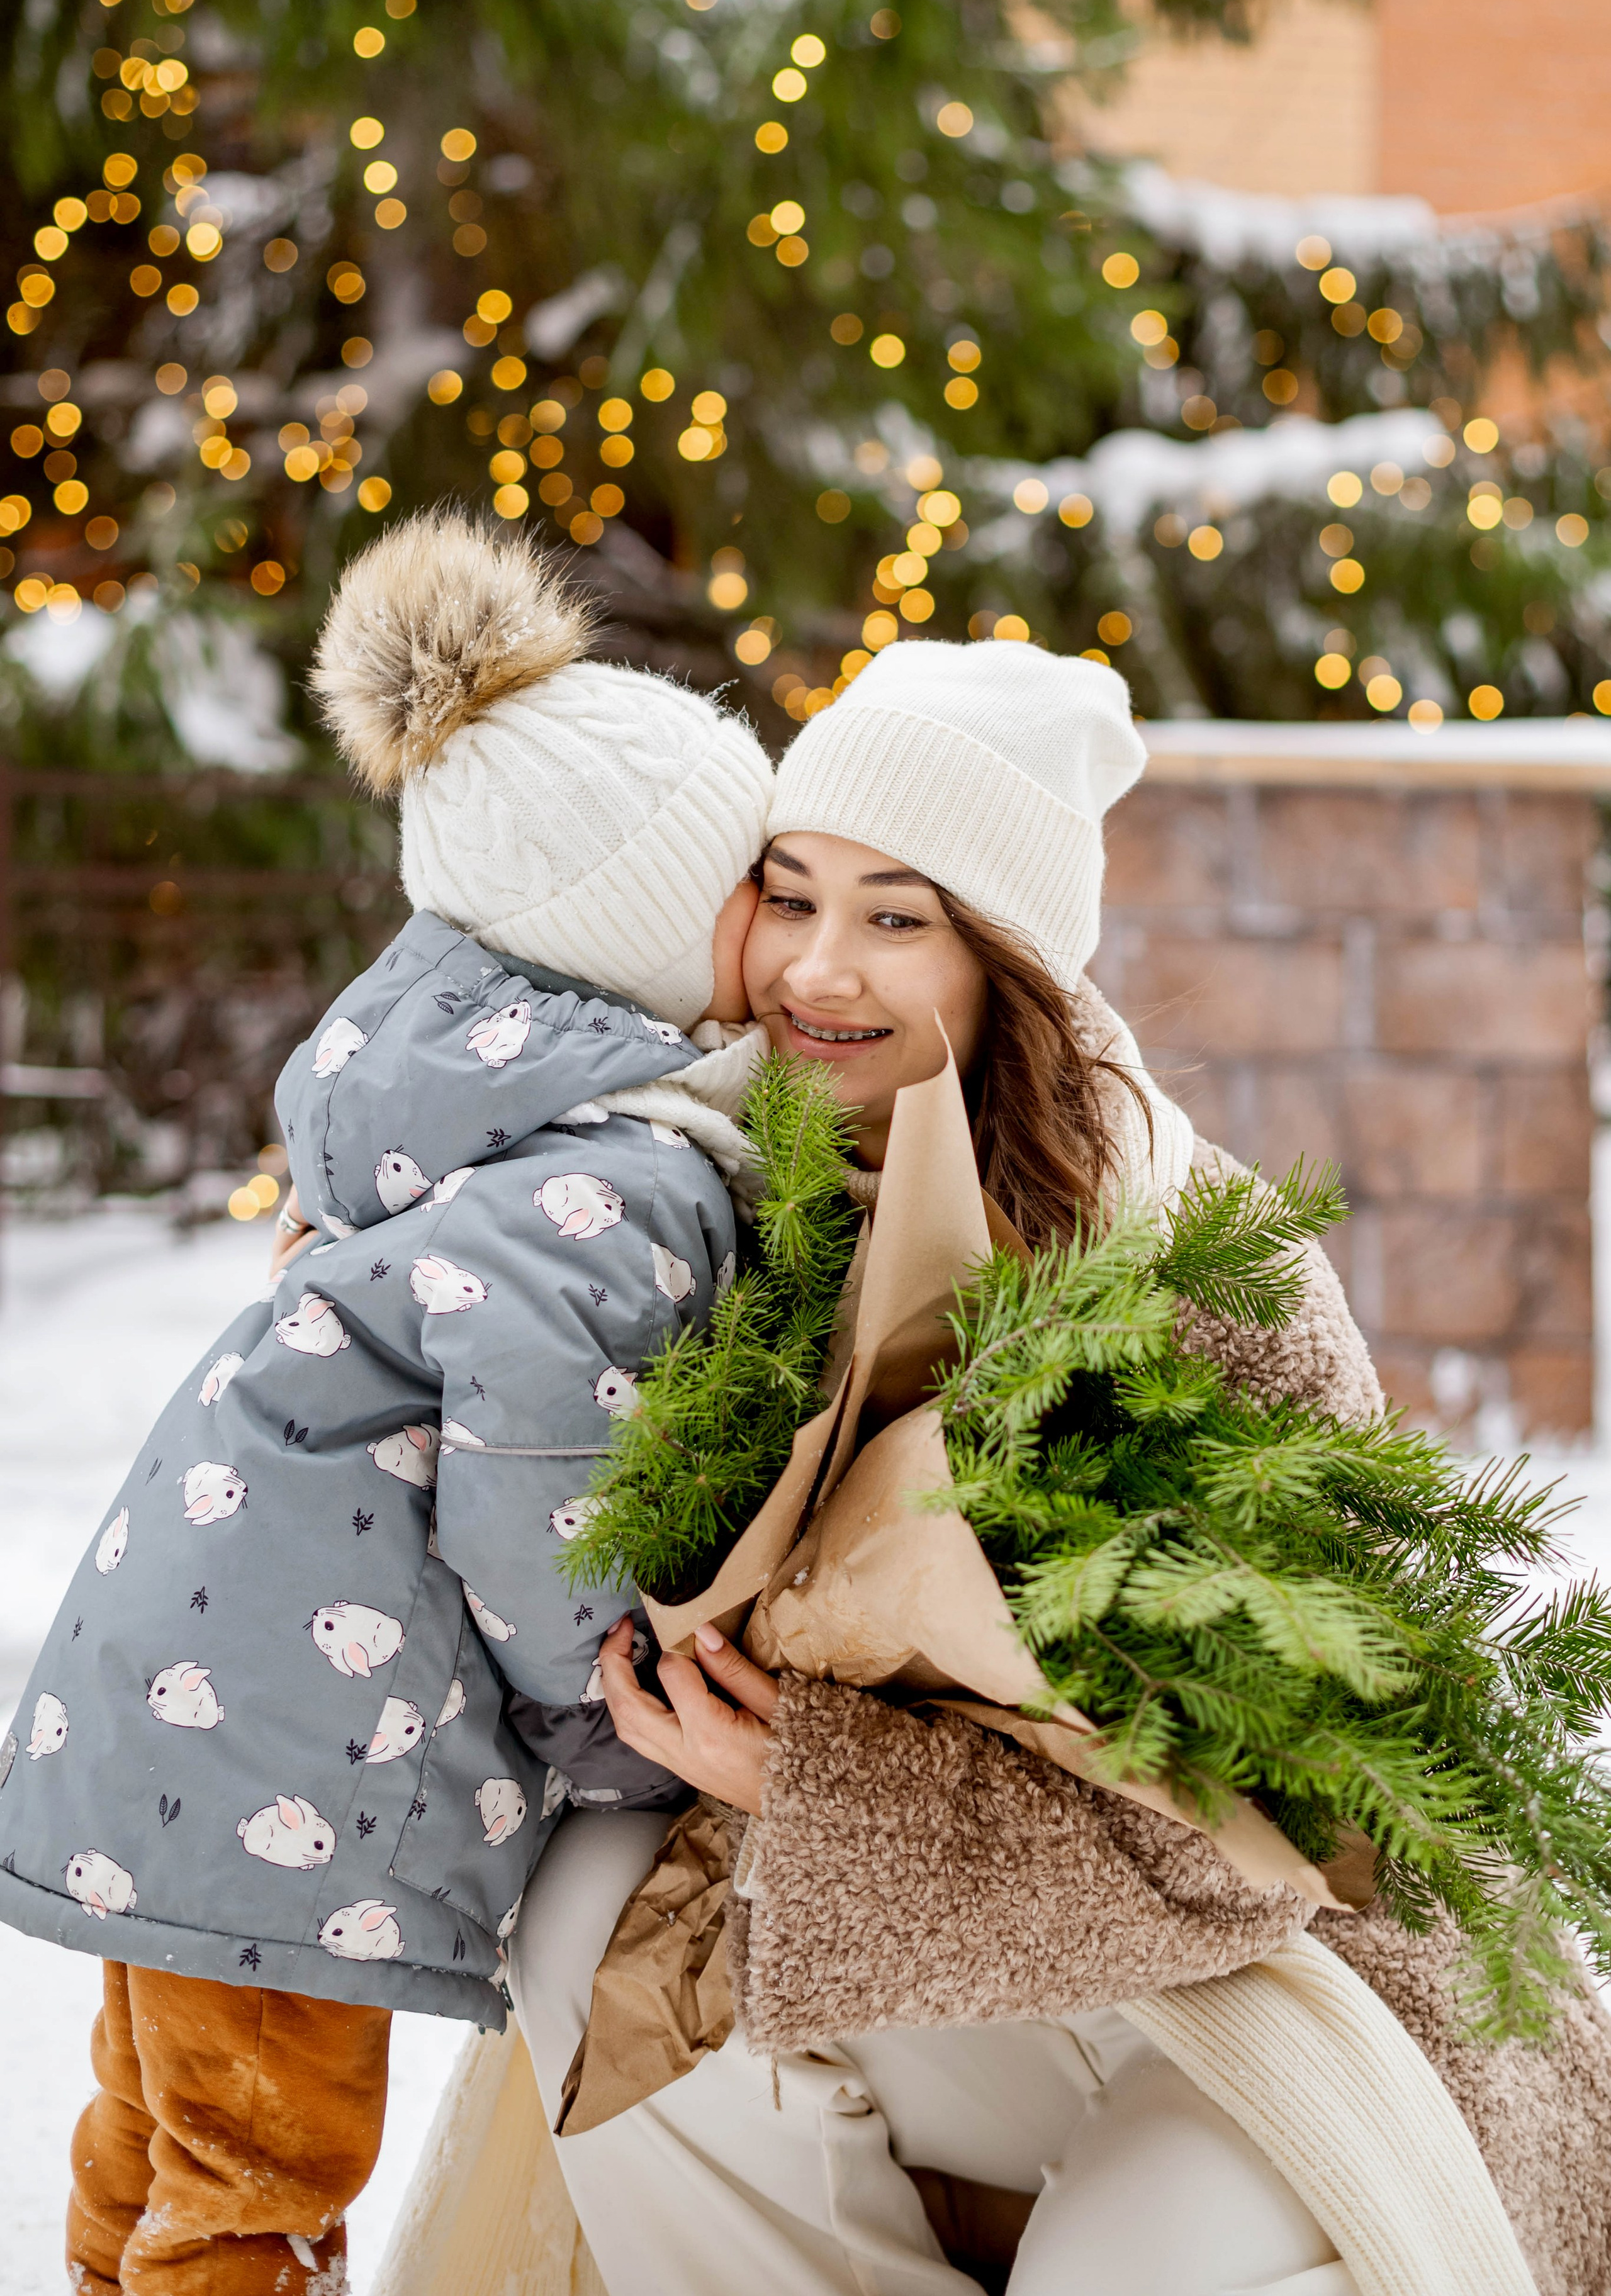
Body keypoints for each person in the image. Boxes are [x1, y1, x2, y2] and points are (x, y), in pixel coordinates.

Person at [499, 641, 1599, 2296]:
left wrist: (823, 1781)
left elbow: (1279, 1820)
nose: (815, 964)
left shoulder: (1189, 1267)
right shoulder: (710, 1185)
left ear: (1005, 957)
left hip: (1294, 1971)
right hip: (977, 1951)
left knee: (1125, 2266)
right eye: (789, 895)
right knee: (596, 1920)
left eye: (896, 916)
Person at [0, 513, 773, 2295]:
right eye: (756, 881)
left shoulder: (450, 1124)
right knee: (258, 2175)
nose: (788, 925)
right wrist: (607, 1708)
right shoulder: (619, 1178)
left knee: (155, 2144)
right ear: (642, 925)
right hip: (295, 1766)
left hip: (192, 1716)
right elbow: (538, 1473)